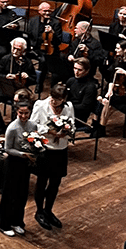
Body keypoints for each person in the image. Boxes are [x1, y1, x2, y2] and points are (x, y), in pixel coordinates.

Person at [31, 83, 75, 230]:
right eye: (53, 98)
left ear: (64, 99)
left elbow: (72, 124)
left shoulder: (68, 107)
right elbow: (33, 125)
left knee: (55, 183)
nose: (54, 101)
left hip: (60, 149)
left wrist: (66, 131)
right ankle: (39, 211)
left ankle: (49, 210)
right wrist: (50, 131)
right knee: (42, 181)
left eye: (58, 99)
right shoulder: (41, 105)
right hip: (46, 149)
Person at [0, 93, 38, 237]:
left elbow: (34, 141)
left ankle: (17, 222)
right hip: (13, 163)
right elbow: (7, 149)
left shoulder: (33, 125)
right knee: (10, 194)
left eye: (26, 113)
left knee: (22, 194)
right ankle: (4, 224)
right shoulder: (12, 128)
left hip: (25, 164)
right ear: (16, 112)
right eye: (21, 113)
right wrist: (23, 154)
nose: (23, 116)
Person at [96, 41, 126, 135]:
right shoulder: (118, 60)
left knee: (107, 103)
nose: (115, 50)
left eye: (118, 48)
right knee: (106, 100)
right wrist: (109, 91)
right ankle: (100, 126)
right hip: (118, 91)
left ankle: (101, 128)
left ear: (125, 50)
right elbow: (111, 78)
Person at [26, 1, 68, 88]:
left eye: (49, 11)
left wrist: (53, 33)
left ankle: (39, 84)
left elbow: (58, 41)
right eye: (45, 11)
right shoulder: (33, 20)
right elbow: (28, 35)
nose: (47, 13)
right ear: (39, 11)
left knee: (43, 61)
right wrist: (29, 45)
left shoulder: (55, 23)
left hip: (49, 49)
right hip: (35, 47)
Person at [66, 57, 100, 126]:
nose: (76, 72)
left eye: (79, 70)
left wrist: (65, 108)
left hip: (78, 118)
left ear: (87, 71)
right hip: (67, 111)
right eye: (75, 68)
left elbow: (84, 107)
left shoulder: (90, 87)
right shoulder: (71, 81)